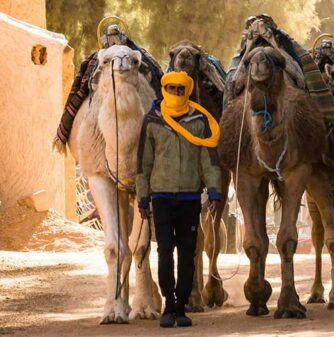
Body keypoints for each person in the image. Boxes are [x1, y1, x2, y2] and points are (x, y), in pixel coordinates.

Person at [136, 71, 222, 328]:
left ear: (186, 91)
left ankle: (181, 306)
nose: (175, 92)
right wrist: (143, 198)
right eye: (170, 88)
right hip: (161, 197)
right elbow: (144, 163)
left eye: (179, 89)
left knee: (187, 254)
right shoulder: (152, 120)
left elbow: (209, 159)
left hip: (189, 197)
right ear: (164, 89)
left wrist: (215, 191)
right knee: (164, 252)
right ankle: (169, 306)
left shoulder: (199, 121)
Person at [54, 23, 163, 152]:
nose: (113, 40)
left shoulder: (136, 54)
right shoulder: (98, 58)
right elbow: (92, 83)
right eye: (111, 36)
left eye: (115, 36)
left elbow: (151, 73)